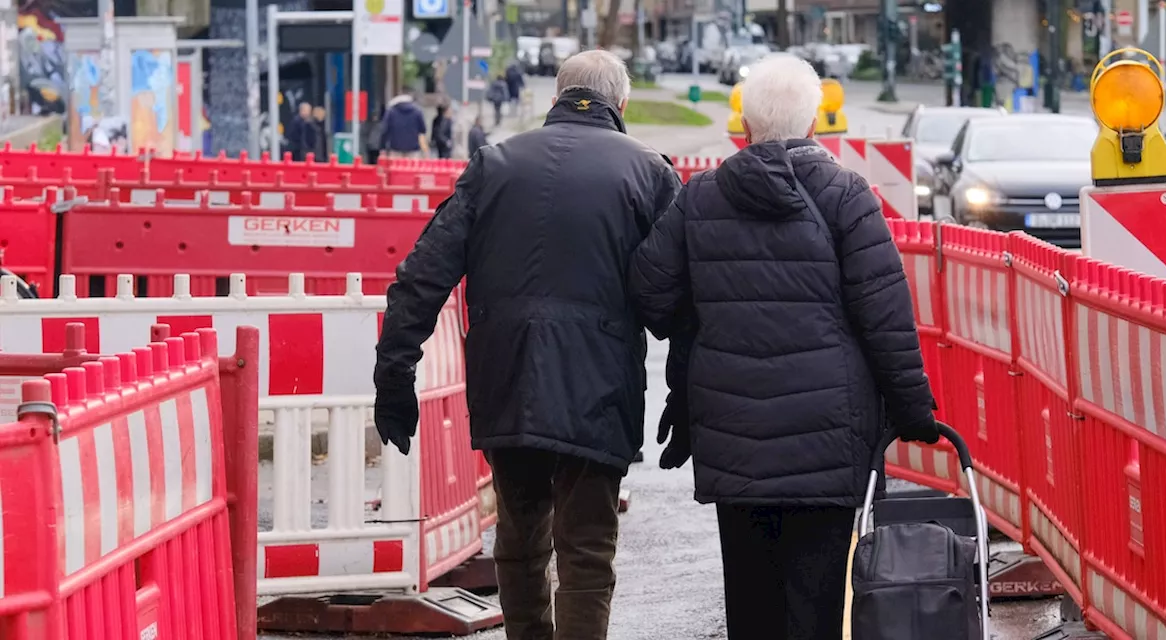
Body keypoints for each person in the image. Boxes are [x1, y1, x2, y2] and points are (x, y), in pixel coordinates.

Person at [629, 53, 940, 640]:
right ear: (814, 126)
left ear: (743, 128)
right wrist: (913, 411)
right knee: (817, 603)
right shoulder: (848, 195)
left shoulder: (701, 198)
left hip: (734, 437)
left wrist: (703, 322)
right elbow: (886, 318)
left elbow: (649, 290)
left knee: (749, 601)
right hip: (827, 435)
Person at [372, 50, 680, 640]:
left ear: (558, 95)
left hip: (506, 378)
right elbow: (677, 295)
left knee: (519, 537)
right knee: (588, 547)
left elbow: (421, 278)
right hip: (601, 384)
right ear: (621, 104)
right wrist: (686, 391)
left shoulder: (494, 165)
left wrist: (395, 375)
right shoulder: (649, 173)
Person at [381, 93, 429, 159]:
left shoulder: (391, 112)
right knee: (411, 169)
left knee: (396, 168)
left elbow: (385, 130)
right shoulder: (417, 112)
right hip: (413, 149)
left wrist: (383, 147)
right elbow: (423, 130)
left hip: (395, 149)